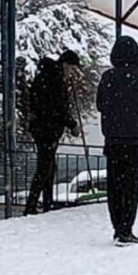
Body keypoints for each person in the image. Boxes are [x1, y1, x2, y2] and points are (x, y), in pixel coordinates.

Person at [97, 36, 138, 245]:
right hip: (135, 141)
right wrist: (135, 114)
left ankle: (117, 228)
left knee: (115, 187)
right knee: (131, 187)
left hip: (112, 141)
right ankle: (127, 228)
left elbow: (100, 105)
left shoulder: (107, 78)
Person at [24, 50, 81, 215]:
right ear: (65, 64)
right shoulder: (55, 80)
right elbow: (59, 108)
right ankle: (33, 206)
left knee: (48, 166)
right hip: (47, 129)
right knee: (45, 167)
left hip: (41, 128)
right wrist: (72, 125)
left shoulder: (44, 76)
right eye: (71, 68)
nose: (72, 73)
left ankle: (44, 203)